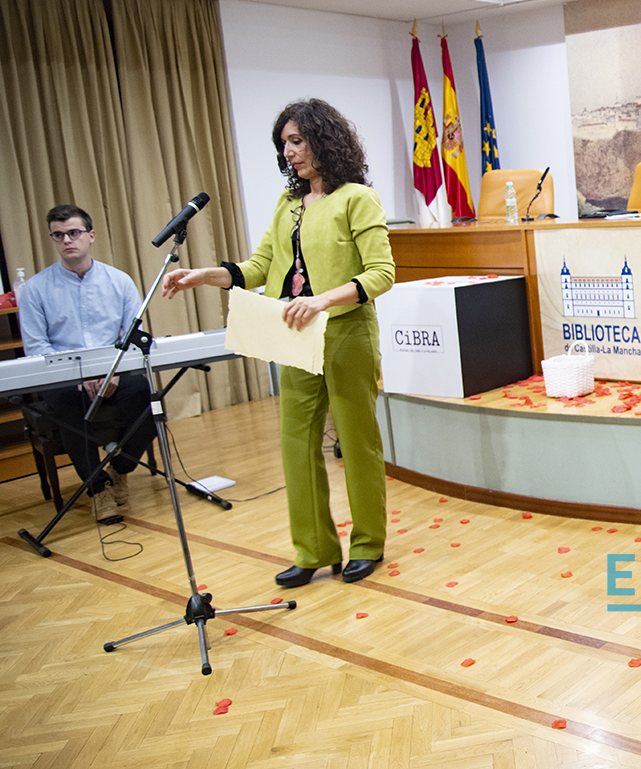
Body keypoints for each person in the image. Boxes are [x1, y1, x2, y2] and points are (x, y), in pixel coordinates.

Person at [162, 99, 395, 586]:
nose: (288, 152)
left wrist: (322, 300)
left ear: (324, 140)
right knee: (296, 442)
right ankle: (313, 550)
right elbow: (259, 268)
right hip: (296, 335)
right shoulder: (288, 204)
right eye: (283, 144)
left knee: (357, 442)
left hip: (346, 332)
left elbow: (381, 274)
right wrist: (206, 275)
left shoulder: (357, 198)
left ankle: (367, 544)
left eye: (297, 141)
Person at [19, 205, 158, 518]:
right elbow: (37, 348)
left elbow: (134, 338)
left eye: (73, 232)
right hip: (64, 376)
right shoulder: (36, 289)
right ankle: (98, 490)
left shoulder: (119, 281)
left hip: (114, 370)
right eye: (58, 235)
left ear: (91, 235)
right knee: (69, 405)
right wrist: (80, 376)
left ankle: (120, 469)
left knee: (147, 397)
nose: (67, 240)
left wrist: (115, 373)